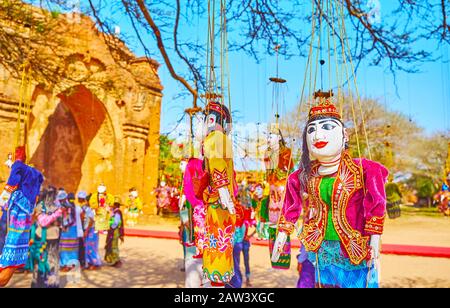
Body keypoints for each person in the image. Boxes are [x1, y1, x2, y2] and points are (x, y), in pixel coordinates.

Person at [272, 98, 388, 288]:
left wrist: (375, 236)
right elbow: (292, 196)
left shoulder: (361, 168)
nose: (317, 135)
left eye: (326, 127)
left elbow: (377, 198)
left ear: (345, 134)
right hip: (323, 247)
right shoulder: (307, 174)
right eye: (311, 130)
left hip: (353, 246)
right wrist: (283, 232)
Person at [200, 102, 237, 287]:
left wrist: (223, 191)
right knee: (219, 244)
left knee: (217, 244)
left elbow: (216, 163)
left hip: (219, 201)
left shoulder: (215, 138)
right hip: (220, 201)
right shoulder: (218, 138)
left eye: (211, 120)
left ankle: (214, 280)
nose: (208, 125)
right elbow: (217, 164)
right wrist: (224, 191)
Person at [0, 146, 44, 287]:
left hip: (16, 221)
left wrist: (5, 196)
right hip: (22, 222)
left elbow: (14, 178)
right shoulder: (35, 175)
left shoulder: (19, 167)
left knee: (5, 274)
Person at [264, 126, 294, 269]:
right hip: (272, 191)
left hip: (282, 190)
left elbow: (288, 171)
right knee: (272, 223)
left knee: (282, 222)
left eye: (272, 135)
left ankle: (283, 256)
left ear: (279, 138)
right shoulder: (268, 154)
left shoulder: (286, 152)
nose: (268, 138)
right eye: (268, 135)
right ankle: (273, 258)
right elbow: (268, 174)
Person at [30, 187, 63, 288]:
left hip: (54, 237)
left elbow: (61, 223)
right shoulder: (40, 206)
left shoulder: (58, 206)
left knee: (52, 262)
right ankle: (39, 284)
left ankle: (51, 284)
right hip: (41, 238)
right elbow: (43, 222)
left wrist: (55, 219)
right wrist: (55, 216)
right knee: (40, 261)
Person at [79, 191, 102, 270]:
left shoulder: (92, 210)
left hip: (92, 230)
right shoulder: (87, 208)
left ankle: (96, 263)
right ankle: (89, 262)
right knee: (87, 247)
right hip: (89, 230)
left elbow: (91, 221)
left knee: (91, 248)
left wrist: (86, 230)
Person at [59, 191, 80, 272]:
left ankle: (69, 264)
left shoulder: (69, 207)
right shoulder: (65, 206)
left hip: (70, 229)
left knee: (69, 248)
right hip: (67, 229)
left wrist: (65, 226)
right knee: (65, 247)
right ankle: (65, 263)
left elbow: (70, 219)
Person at [104, 197, 124, 267]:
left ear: (116, 205)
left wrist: (109, 224)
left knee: (114, 246)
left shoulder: (117, 212)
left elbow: (115, 222)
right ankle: (113, 260)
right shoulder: (115, 212)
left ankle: (117, 260)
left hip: (114, 231)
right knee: (112, 245)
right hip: (113, 230)